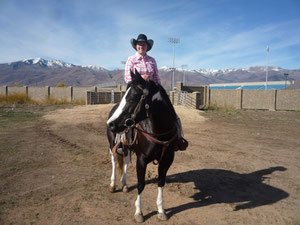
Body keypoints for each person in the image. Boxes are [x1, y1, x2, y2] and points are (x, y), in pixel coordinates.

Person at [122, 33, 188, 151]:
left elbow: (157, 78)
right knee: (125, 115)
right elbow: (128, 78)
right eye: (139, 44)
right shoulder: (131, 59)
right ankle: (123, 143)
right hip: (137, 93)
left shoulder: (152, 60)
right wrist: (142, 79)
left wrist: (160, 91)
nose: (141, 46)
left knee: (173, 114)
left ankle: (178, 139)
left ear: (147, 46)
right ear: (136, 46)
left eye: (143, 44)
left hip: (152, 94)